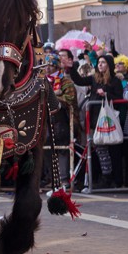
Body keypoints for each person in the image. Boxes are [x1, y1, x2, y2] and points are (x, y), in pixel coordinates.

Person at [68, 53, 123, 188]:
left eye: (103, 62)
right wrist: (71, 68)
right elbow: (79, 81)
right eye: (99, 62)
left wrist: (106, 95)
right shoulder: (94, 78)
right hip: (95, 120)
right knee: (100, 150)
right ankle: (105, 177)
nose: (100, 65)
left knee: (113, 151)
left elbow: (119, 97)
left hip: (109, 120)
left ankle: (115, 179)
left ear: (109, 65)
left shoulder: (115, 80)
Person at [43, 54, 78, 188]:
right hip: (46, 121)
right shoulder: (42, 81)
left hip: (63, 120)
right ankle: (51, 178)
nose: (47, 68)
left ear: (56, 67)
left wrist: (54, 97)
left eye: (50, 65)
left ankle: (63, 179)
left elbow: (70, 100)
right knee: (46, 150)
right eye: (45, 65)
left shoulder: (65, 82)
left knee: (63, 150)